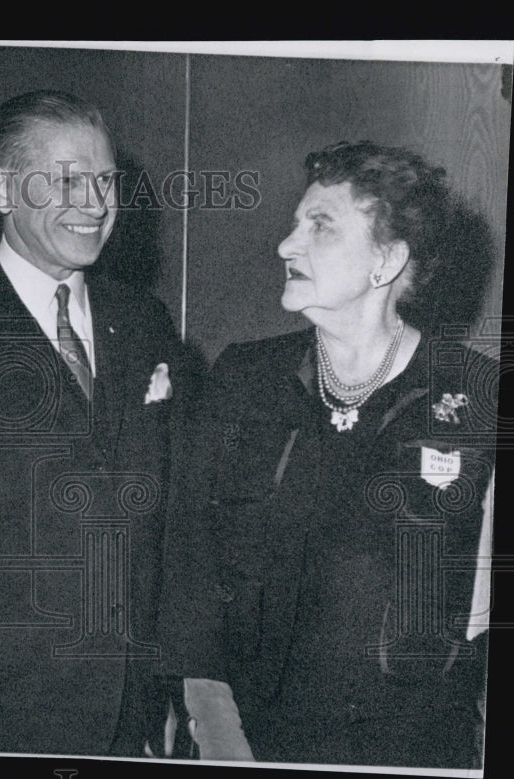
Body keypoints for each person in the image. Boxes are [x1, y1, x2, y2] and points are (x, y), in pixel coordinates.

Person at [0, 89, 245, 758]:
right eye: (67, 180)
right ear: (1, 188)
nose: (94, 203)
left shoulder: (144, 320)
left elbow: (177, 521)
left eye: (104, 180)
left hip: (134, 716)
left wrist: (192, 688)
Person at [157, 140, 497, 768]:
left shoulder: (479, 397)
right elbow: (190, 573)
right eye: (294, 224)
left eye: (320, 227)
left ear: (387, 260)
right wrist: (218, 734)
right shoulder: (242, 380)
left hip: (415, 750)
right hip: (251, 744)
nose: (287, 245)